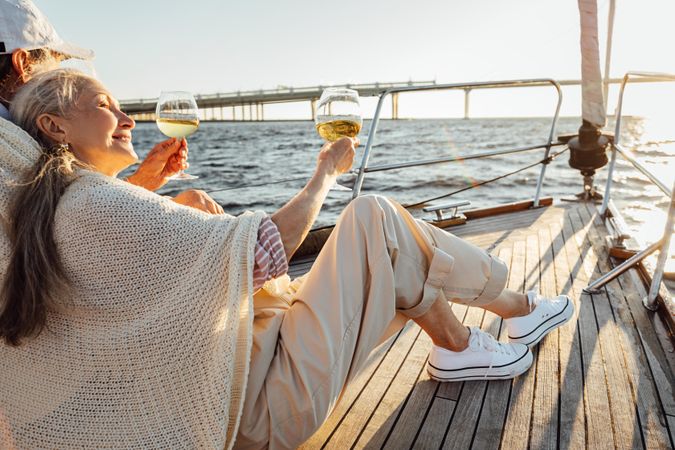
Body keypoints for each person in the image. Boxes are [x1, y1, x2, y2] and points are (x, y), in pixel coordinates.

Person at [0, 68, 574, 449]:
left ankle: (469, 339)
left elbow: (112, 268)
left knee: (381, 243)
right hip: (248, 404)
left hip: (235, 369)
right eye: (105, 106)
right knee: (373, 217)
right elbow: (268, 249)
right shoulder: (93, 206)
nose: (128, 117)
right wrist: (326, 171)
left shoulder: (42, 206)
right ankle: (510, 308)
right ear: (55, 127)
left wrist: (148, 183)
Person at [0, 0, 214, 208]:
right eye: (56, 62)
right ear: (23, 63)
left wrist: (140, 182)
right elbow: (74, 217)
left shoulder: (14, 140)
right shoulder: (12, 150)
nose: (58, 76)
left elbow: (59, 215)